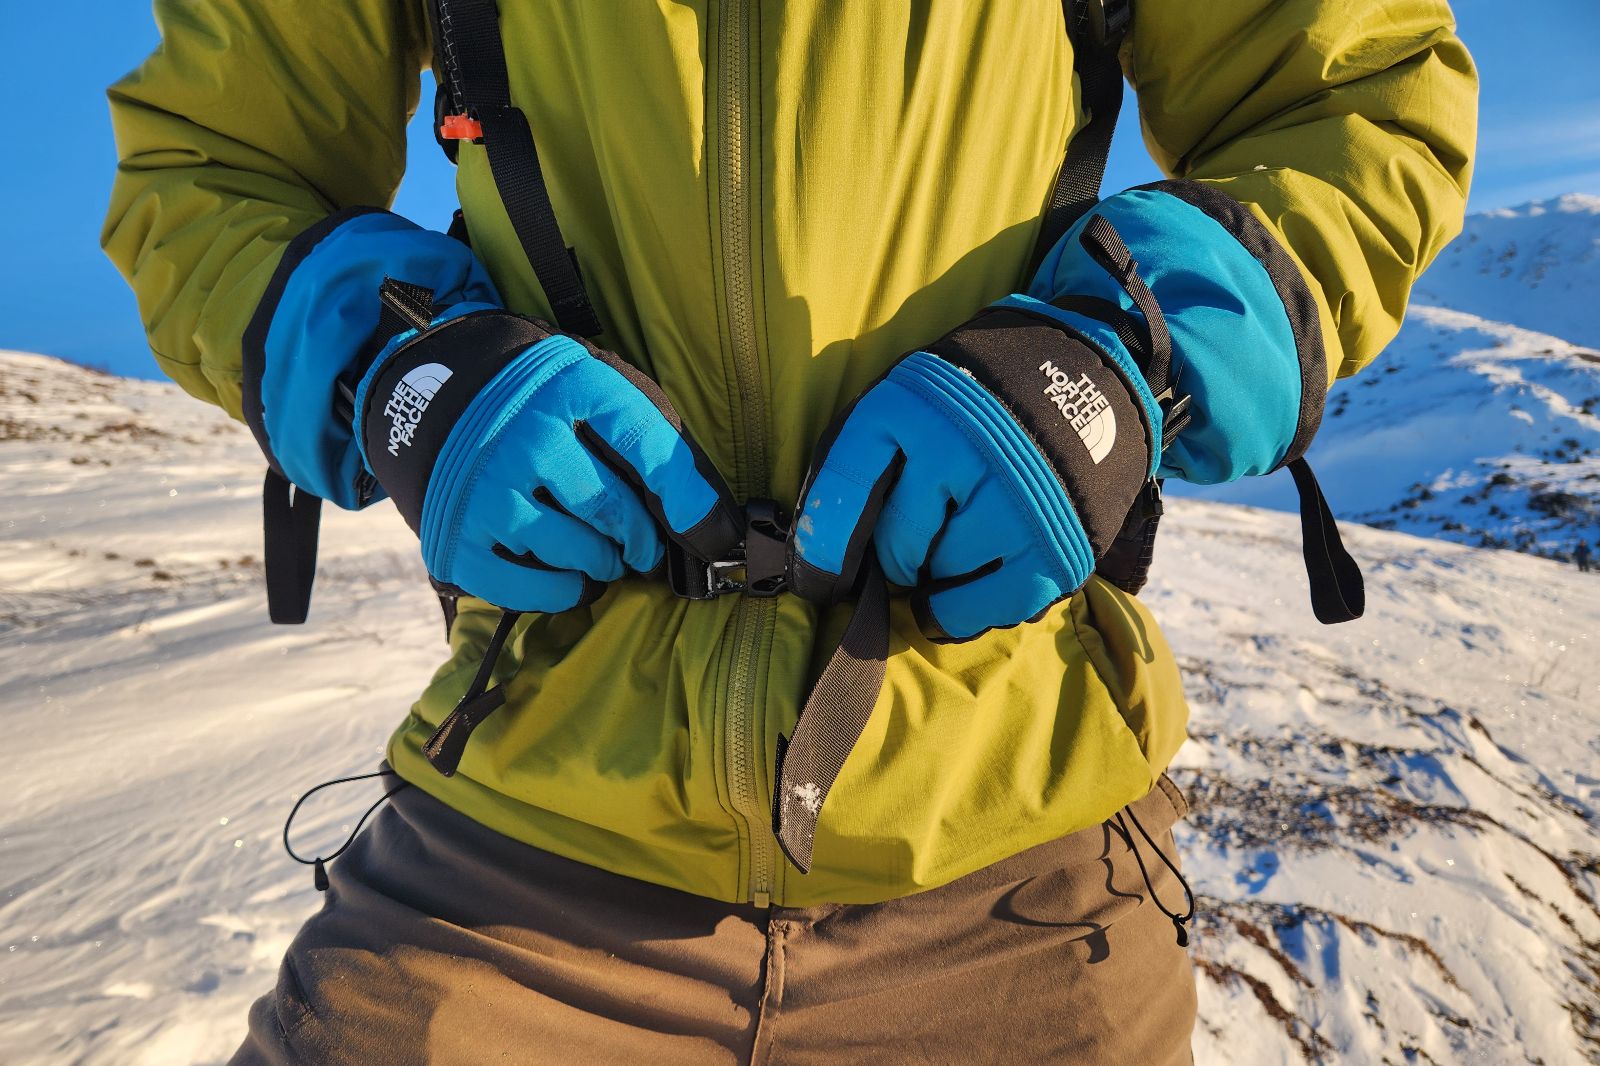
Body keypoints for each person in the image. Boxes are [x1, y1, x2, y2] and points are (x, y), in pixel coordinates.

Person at [103, 1, 1476, 1062]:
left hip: (1017, 853)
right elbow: (212, 168)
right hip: (527, 860)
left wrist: (1121, 358)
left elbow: (1355, 106)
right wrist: (393, 370)